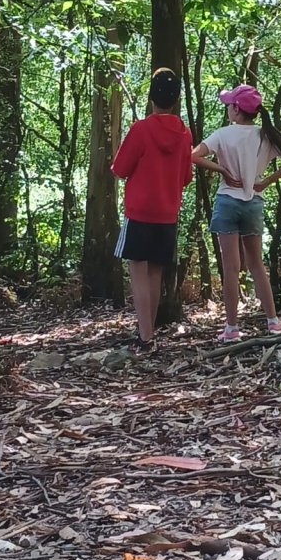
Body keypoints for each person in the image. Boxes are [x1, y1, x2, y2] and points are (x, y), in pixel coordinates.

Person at [192, 84, 281, 343]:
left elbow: (193, 156)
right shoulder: (265, 135)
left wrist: (222, 170)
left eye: (230, 105)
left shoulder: (223, 134)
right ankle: (273, 321)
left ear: (237, 109)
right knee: (256, 264)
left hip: (227, 202)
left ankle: (231, 328)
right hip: (253, 202)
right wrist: (265, 182)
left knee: (231, 268)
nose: (228, 108)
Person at [111, 68, 192, 353]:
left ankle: (145, 337)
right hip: (168, 213)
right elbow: (186, 176)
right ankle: (149, 332)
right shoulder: (184, 134)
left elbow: (120, 169)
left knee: (137, 271)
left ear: (151, 96)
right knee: (155, 272)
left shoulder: (141, 129)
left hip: (139, 212)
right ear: (176, 99)